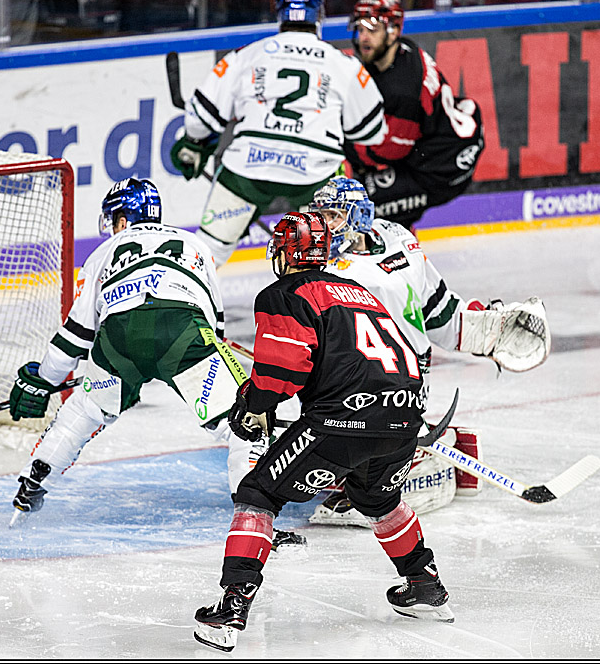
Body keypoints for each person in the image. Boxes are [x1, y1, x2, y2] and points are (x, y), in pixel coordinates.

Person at [193, 211, 453, 653]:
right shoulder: (359, 292)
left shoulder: (285, 294)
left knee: (259, 493)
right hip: (406, 417)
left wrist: (251, 405)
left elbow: (282, 373)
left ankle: (232, 606)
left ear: (283, 252)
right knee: (378, 499)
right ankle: (424, 584)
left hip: (341, 421)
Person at [6, 178, 303, 548]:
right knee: (246, 419)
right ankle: (255, 521)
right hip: (184, 331)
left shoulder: (104, 251)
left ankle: (29, 490)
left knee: (82, 412)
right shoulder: (194, 243)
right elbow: (215, 322)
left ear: (122, 219)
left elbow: (77, 333)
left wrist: (44, 378)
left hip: (119, 338)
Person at [301, 177, 551, 526]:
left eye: (333, 215)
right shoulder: (322, 264)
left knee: (358, 468)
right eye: (320, 215)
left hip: (401, 381)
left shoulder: (398, 238)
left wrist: (485, 330)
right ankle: (417, 447)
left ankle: (404, 454)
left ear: (359, 216)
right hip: (349, 382)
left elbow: (436, 306)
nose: (324, 225)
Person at [170, 0, 388, 267]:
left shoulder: (247, 55)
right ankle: (340, 292)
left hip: (247, 170)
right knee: (332, 252)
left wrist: (196, 144)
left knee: (209, 250)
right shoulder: (343, 64)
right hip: (315, 174)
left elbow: (199, 120)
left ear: (280, 13)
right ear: (319, 15)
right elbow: (372, 132)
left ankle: (183, 286)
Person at [344, 0, 485, 230]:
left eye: (372, 30)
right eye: (360, 29)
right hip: (441, 145)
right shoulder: (403, 50)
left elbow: (390, 152)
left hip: (443, 169)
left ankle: (403, 250)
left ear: (393, 32)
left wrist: (344, 144)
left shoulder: (403, 91)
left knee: (358, 206)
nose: (363, 38)